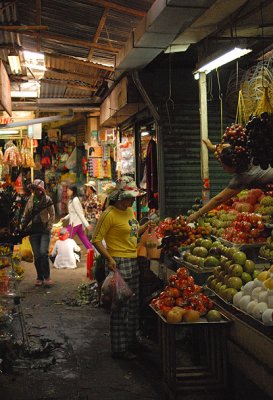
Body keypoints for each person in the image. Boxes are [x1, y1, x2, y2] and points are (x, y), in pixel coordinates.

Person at [92, 176, 153, 360]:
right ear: (120, 197)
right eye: (130, 197)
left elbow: (132, 234)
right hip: (118, 262)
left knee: (133, 305)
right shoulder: (109, 214)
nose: (133, 200)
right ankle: (119, 348)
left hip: (132, 262)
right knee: (120, 306)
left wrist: (145, 227)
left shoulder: (129, 212)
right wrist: (109, 259)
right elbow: (95, 239)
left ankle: (132, 341)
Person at [187, 138, 273, 223]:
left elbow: (218, 199)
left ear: (233, 166)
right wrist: (212, 147)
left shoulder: (242, 178)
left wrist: (197, 214)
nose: (223, 168)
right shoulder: (246, 152)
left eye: (224, 166)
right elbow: (228, 148)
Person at [23, 179, 55, 286]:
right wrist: (24, 227)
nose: (36, 191)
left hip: (45, 230)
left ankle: (47, 277)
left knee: (43, 253)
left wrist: (49, 226)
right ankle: (39, 277)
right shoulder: (30, 200)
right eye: (34, 189)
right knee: (36, 255)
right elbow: (25, 215)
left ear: (41, 190)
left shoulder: (47, 200)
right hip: (33, 230)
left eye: (38, 189)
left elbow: (52, 214)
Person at [61, 184, 93, 250]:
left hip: (74, 224)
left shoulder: (75, 200)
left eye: (69, 190)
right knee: (83, 238)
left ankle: (68, 254)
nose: (67, 192)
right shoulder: (71, 200)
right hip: (76, 223)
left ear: (73, 191)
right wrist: (65, 218)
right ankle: (91, 251)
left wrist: (86, 225)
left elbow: (80, 213)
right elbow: (72, 212)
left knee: (66, 239)